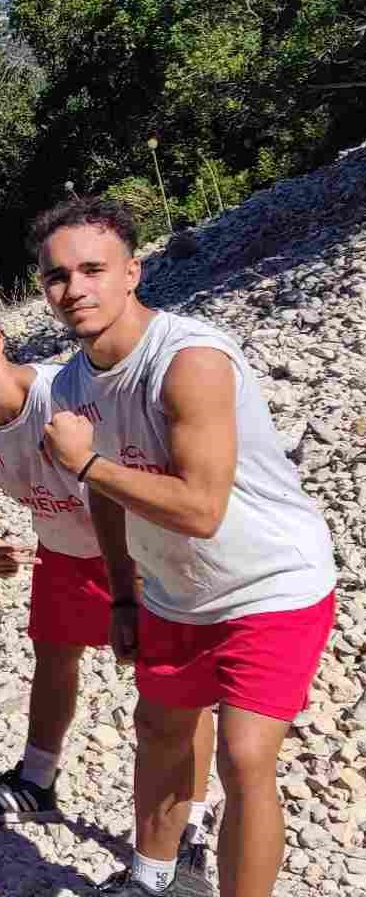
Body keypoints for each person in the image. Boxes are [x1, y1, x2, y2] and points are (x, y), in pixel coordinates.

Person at [34, 198, 335, 897]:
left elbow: (201, 508)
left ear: (132, 272)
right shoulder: (74, 384)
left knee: (243, 757)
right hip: (174, 593)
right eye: (56, 276)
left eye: (92, 269)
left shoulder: (189, 360)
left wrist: (85, 463)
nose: (74, 288)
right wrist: (122, 594)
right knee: (159, 732)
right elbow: (107, 500)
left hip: (271, 582)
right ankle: (152, 879)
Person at [0, 289, 217, 866]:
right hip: (61, 551)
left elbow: (137, 465)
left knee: (173, 686)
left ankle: (191, 822)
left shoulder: (63, 393)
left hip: (141, 549)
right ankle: (38, 780)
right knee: (53, 658)